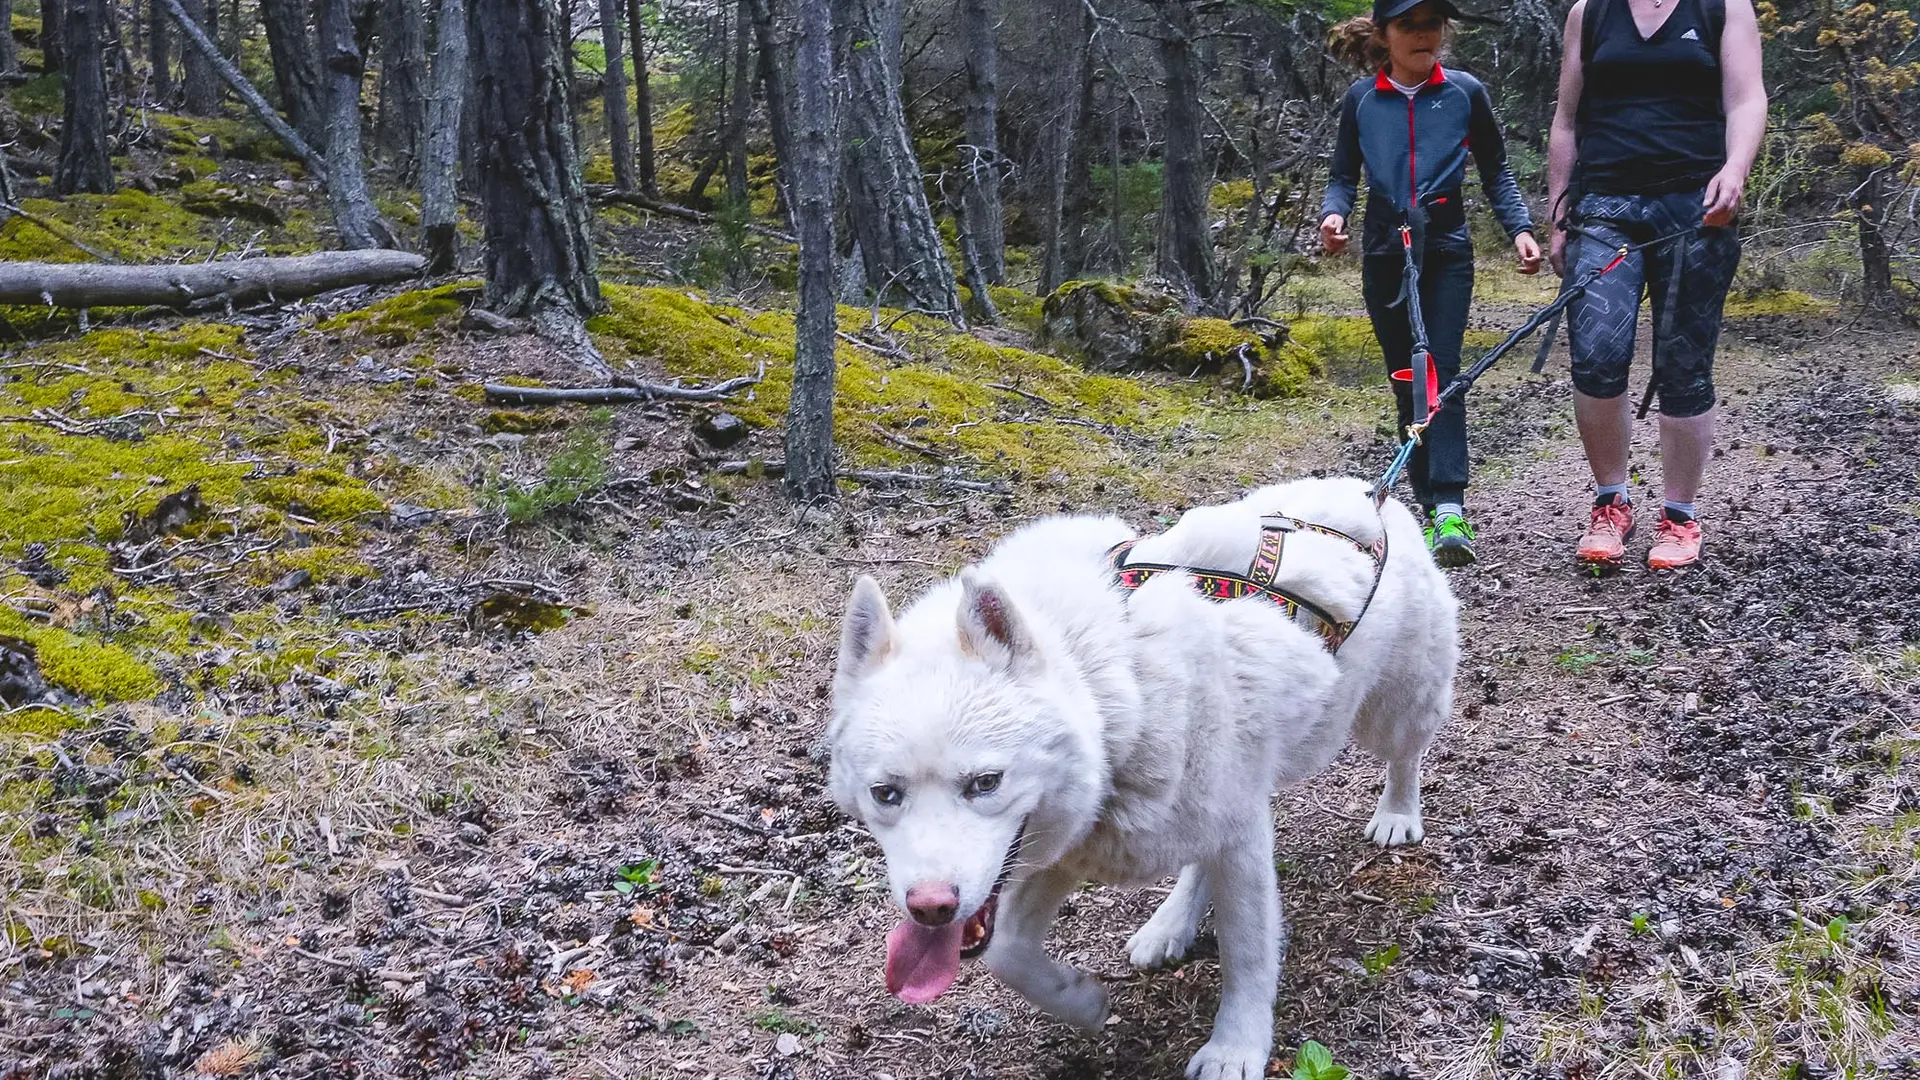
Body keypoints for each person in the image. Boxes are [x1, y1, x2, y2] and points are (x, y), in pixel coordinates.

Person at [1321, 0, 1541, 568]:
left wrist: (1519, 227)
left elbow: (1496, 167)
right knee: (1406, 377)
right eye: (1410, 26)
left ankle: (1449, 504)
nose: (1424, 36)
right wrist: (1334, 213)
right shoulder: (1362, 99)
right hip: (1384, 247)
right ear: (1384, 35)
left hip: (1446, 247)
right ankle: (1423, 505)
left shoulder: (1465, 92)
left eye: (1432, 25)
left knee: (1439, 371)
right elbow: (1344, 173)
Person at [1546, 0, 1766, 570]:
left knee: (1684, 363)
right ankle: (1609, 503)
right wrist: (1556, 213)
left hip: (1696, 205)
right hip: (1604, 205)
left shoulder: (1724, 7)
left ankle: (1679, 515)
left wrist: (1735, 169)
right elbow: (1566, 120)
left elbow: (1746, 99)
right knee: (1596, 353)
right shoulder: (1588, 13)